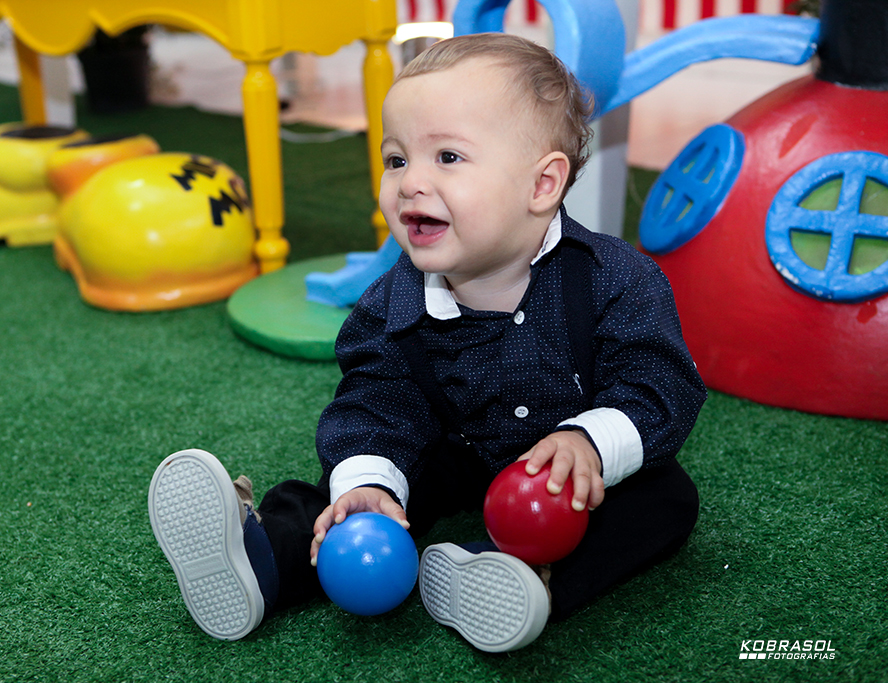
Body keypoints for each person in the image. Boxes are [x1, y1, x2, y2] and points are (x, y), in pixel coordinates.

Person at [148, 32, 707, 653]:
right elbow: (375, 402)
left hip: (562, 471)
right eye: (396, 159)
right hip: (455, 446)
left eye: (447, 158)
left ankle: (523, 576)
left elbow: (660, 385)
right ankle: (259, 558)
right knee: (353, 501)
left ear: (542, 185)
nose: (410, 182)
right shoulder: (394, 302)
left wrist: (590, 441)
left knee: (664, 500)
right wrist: (370, 485)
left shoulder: (616, 279)